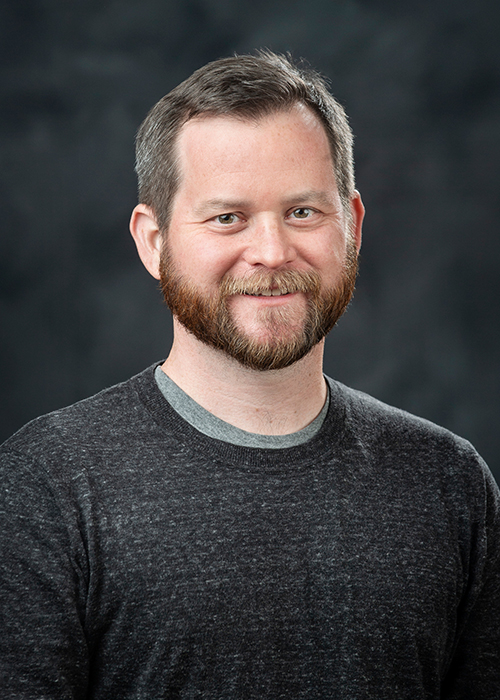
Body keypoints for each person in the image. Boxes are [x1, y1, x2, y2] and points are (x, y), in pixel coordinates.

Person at [1, 51, 499, 700]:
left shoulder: (450, 483)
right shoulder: (43, 487)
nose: (270, 252)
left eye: (302, 213)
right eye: (227, 217)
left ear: (352, 225)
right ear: (153, 242)